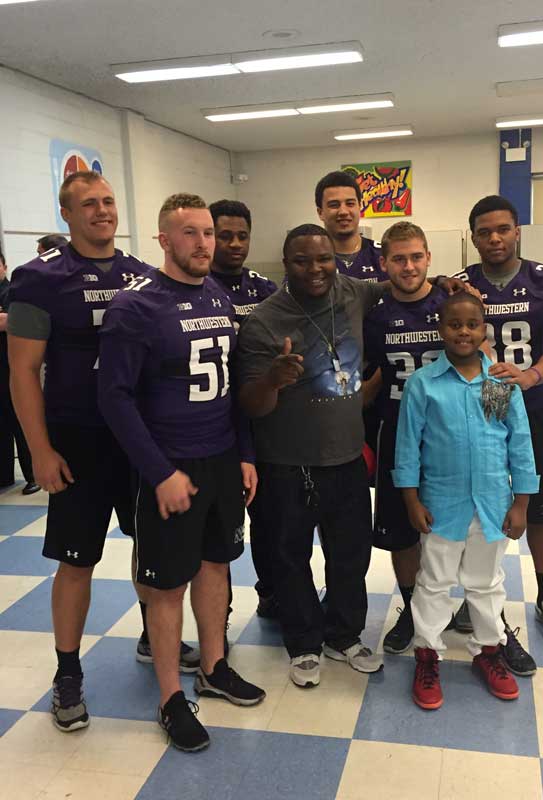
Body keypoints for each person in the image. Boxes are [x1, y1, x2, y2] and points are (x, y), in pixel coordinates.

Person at [6, 171, 198, 734]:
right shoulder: (39, 279)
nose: (102, 211)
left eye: (109, 201)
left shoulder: (142, 275)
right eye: (88, 204)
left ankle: (151, 634)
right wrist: (39, 451)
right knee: (76, 560)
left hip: (140, 439)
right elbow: (22, 370)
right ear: (67, 215)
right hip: (78, 442)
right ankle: (68, 675)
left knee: (152, 549)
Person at [98, 193, 265, 753]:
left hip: (220, 460)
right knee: (167, 585)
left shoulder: (219, 295)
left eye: (209, 234)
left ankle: (214, 666)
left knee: (217, 566)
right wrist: (160, 471)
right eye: (189, 234)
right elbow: (115, 399)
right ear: (164, 240)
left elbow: (232, 387)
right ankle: (171, 696)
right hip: (169, 466)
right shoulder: (133, 306)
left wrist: (243, 453)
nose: (203, 244)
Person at [237, 223, 386, 688]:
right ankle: (303, 642)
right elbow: (249, 404)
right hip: (286, 462)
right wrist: (273, 380)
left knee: (350, 556)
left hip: (345, 458)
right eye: (302, 261)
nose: (316, 269)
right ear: (286, 265)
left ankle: (344, 635)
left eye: (324, 259)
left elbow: (400, 284)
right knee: (289, 558)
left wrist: (443, 282)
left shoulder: (354, 292)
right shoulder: (264, 321)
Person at [393, 292, 539, 710]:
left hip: (494, 504)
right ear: (440, 329)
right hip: (441, 504)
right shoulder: (424, 384)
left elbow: (522, 444)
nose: (463, 332)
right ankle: (427, 654)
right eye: (454, 324)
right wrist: (410, 499)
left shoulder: (502, 381)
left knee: (486, 582)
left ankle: (488, 651)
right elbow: (408, 447)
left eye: (472, 324)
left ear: (483, 330)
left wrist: (522, 503)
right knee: (433, 582)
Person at [454, 195, 543, 646]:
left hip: (532, 403)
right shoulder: (459, 286)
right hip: (481, 406)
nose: (495, 238)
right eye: (484, 232)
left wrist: (530, 376)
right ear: (474, 237)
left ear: (517, 229)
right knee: (479, 505)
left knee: (541, 506)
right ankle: (474, 595)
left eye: (502, 228)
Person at [363, 222, 446, 654]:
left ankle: (473, 605)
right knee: (402, 531)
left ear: (429, 256)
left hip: (450, 437)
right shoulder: (374, 317)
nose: (408, 266)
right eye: (399, 258)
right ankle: (413, 607)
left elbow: (482, 362)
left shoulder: (453, 302)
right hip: (397, 433)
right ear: (384, 263)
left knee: (460, 526)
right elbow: (373, 376)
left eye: (416, 256)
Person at [209, 199, 279, 618]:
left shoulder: (264, 289)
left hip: (264, 421)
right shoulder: (196, 287)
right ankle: (219, 610)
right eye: (225, 235)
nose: (235, 244)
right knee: (219, 527)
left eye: (242, 236)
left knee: (270, 519)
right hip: (214, 421)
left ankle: (271, 591)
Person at [0, 248, 39, 494]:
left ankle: (32, 475)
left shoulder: (11, 291)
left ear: (3, 266)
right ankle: (4, 476)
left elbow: (9, 321)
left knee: (20, 422)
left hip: (12, 366)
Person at [315, 170, 386, 283]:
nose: (343, 211)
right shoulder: (308, 262)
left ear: (360, 207)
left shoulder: (384, 255)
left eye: (350, 204)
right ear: (320, 212)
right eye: (334, 205)